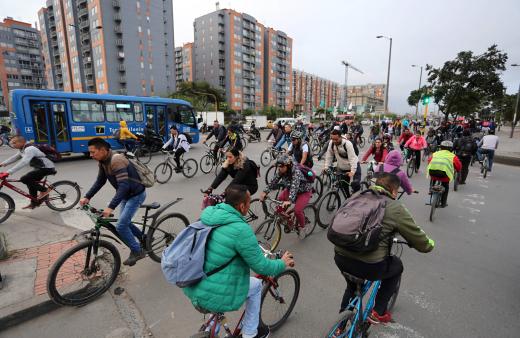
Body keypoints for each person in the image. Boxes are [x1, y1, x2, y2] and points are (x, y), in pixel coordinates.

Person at [183, 185, 294, 338]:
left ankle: (210, 330)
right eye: (249, 204)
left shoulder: (209, 214)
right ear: (242, 206)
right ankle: (250, 334)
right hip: (214, 290)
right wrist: (282, 263)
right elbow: (262, 267)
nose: (249, 207)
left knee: (216, 282)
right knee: (255, 286)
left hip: (193, 282)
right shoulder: (241, 229)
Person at [334, 173, 434, 323]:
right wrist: (429, 244)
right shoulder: (395, 207)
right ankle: (378, 312)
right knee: (396, 267)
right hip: (370, 266)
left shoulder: (356, 196)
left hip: (340, 256)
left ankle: (341, 324)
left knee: (352, 286)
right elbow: (421, 242)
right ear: (394, 191)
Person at [80, 138, 147, 266]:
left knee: (121, 225)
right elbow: (100, 181)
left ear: (103, 150)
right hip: (126, 196)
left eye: (93, 152)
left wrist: (110, 207)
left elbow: (124, 186)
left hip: (135, 195)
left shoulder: (116, 160)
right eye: (90, 152)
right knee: (124, 222)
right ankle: (144, 237)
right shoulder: (103, 161)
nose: (91, 155)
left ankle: (137, 251)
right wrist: (87, 196)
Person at [260, 155, 313, 233]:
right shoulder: (281, 171)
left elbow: (294, 187)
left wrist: (290, 200)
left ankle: (303, 227)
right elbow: (273, 181)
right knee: (279, 206)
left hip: (304, 192)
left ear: (288, 165)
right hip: (290, 189)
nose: (279, 169)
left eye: (281, 166)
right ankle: (289, 220)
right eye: (278, 167)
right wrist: (265, 192)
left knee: (297, 211)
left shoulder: (296, 172)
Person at [0, 136, 56, 209]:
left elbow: (24, 162)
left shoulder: (30, 149)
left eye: (14, 143)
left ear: (22, 142)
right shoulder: (22, 149)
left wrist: (9, 172)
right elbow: (14, 158)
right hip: (40, 168)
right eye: (12, 143)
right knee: (31, 184)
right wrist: (2, 164)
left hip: (47, 168)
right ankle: (34, 203)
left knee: (24, 179)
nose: (12, 145)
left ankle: (45, 190)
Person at [323, 129, 361, 197]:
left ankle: (357, 200)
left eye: (336, 139)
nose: (334, 141)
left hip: (354, 166)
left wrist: (352, 171)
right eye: (332, 139)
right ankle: (348, 199)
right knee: (344, 186)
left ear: (341, 137)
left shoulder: (347, 144)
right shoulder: (331, 143)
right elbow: (329, 156)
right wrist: (326, 167)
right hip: (342, 167)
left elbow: (352, 159)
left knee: (356, 184)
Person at [427, 141, 462, 208]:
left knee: (433, 179)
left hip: (433, 172)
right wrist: (457, 170)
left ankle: (430, 190)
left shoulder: (435, 153)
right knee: (446, 186)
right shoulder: (453, 156)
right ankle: (443, 203)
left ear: (441, 147)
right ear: (451, 149)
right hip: (445, 175)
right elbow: (458, 166)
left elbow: (429, 161)